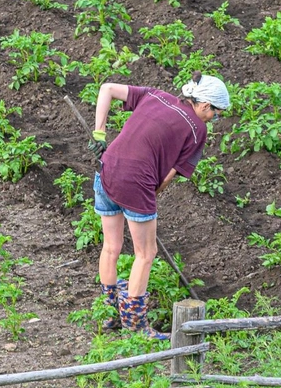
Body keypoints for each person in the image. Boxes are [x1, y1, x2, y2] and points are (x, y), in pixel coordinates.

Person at [88, 72, 229, 339]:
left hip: (107, 168)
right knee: (146, 253)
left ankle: (110, 315)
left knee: (111, 247)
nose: (214, 118)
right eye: (216, 113)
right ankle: (135, 326)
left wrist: (99, 135)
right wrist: (149, 194)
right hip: (137, 183)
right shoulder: (198, 130)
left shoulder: (154, 94)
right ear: (204, 105)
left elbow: (106, 88)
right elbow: (166, 178)